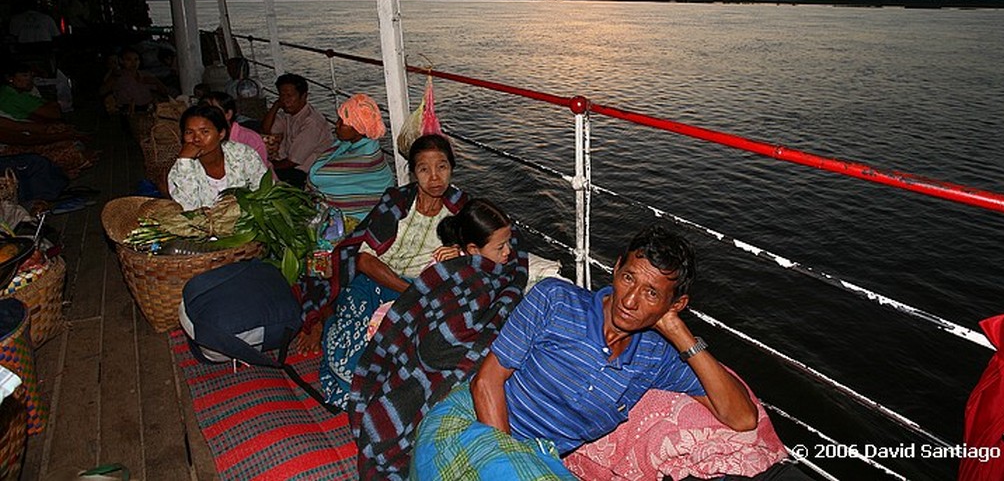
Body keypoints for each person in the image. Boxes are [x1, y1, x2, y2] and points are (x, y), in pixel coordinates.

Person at [412, 224, 759, 479]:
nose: (629, 300)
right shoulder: (555, 300)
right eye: (628, 278)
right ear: (617, 265)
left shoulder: (657, 356)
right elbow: (486, 382)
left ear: (677, 304)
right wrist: (506, 458)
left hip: (537, 460)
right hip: (470, 423)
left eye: (652, 294)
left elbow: (742, 418)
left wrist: (679, 333)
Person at [350, 198, 526, 480]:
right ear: (473, 250)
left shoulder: (505, 269)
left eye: (508, 243)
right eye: (500, 247)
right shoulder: (455, 269)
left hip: (460, 344)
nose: (509, 253)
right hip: (434, 350)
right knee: (393, 415)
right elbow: (434, 327)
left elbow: (506, 293)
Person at [298, 134, 467, 407]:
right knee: (351, 367)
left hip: (420, 294)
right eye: (424, 169)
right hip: (378, 281)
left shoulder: (461, 210)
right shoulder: (398, 201)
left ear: (452, 168)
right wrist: (411, 291)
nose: (434, 177)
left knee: (404, 359)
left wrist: (460, 252)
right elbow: (365, 261)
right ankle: (330, 322)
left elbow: (486, 248)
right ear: (413, 172)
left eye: (442, 167)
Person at [307, 93, 395, 226]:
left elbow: (316, 177)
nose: (336, 125)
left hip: (361, 219)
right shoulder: (351, 145)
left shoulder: (367, 156)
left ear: (358, 128)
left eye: (342, 123)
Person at [167, 104, 268, 210]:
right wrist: (185, 162)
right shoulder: (181, 168)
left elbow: (264, 191)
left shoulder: (242, 155)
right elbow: (188, 210)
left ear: (221, 134)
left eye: (205, 132)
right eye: (189, 132)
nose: (196, 139)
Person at [259, 73, 333, 188]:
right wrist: (276, 105)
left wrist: (266, 166)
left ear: (303, 96)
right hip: (290, 165)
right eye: (282, 96)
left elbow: (293, 161)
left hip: (306, 173)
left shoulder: (311, 122)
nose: (285, 100)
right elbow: (266, 129)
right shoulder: (288, 114)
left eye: (289, 96)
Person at [199, 91, 271, 169]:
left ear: (228, 114)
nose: (208, 116)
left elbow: (260, 172)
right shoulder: (199, 139)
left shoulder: (249, 139)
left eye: (214, 111)